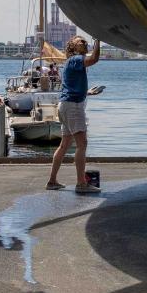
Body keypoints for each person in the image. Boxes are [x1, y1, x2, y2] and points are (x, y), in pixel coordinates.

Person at [47, 36, 101, 192]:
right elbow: (94, 59)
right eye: (79, 41)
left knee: (64, 145)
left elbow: (72, 85)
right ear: (72, 47)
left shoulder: (71, 62)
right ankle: (81, 183)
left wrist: (86, 92)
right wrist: (98, 41)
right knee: (82, 144)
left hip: (65, 105)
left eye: (84, 41)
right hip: (72, 107)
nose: (83, 42)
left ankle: (52, 181)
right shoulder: (76, 59)